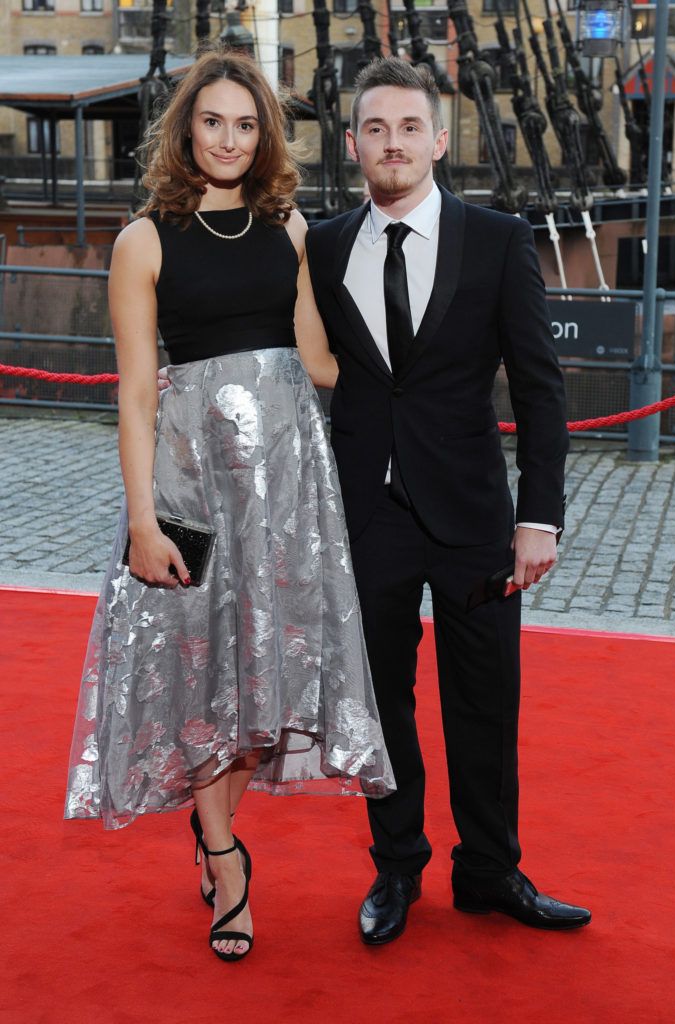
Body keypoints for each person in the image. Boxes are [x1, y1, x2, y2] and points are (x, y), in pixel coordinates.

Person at [64, 49, 394, 964]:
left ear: (264, 136)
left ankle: (216, 836)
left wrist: (427, 355)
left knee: (264, 675)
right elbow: (133, 393)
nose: (229, 139)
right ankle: (225, 856)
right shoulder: (142, 239)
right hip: (185, 488)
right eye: (213, 122)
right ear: (184, 129)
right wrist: (141, 519)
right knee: (199, 668)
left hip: (285, 491)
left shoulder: (286, 229)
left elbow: (321, 362)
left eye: (246, 126)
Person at [305, 57, 591, 944]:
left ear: (438, 138)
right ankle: (397, 872)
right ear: (353, 144)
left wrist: (536, 518)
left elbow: (540, 390)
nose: (393, 144)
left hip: (472, 522)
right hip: (369, 518)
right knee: (381, 705)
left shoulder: (497, 239)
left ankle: (490, 871)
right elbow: (284, 355)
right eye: (375, 129)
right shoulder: (318, 246)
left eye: (409, 128)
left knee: (483, 701)